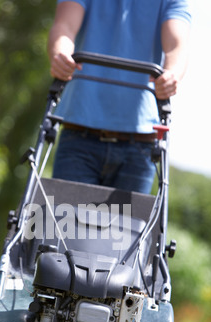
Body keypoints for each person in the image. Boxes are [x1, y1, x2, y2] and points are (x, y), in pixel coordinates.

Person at [48, 0, 191, 194]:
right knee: (62, 223)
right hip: (78, 134)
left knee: (128, 224)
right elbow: (64, 26)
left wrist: (172, 73)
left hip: (140, 144)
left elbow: (176, 46)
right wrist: (61, 55)